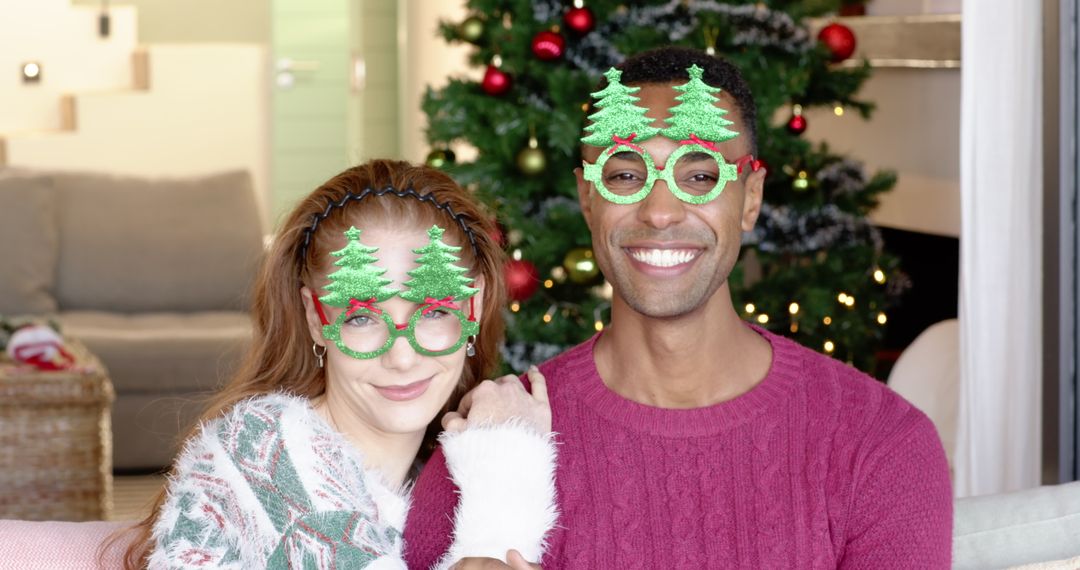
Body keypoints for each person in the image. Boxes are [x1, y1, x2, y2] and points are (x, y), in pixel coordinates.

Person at [404, 47, 953, 568]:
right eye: (625, 175)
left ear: (751, 197)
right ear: (588, 198)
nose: (661, 211)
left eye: (700, 176)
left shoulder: (879, 443)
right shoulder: (492, 448)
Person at [116, 160, 558, 569]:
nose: (402, 357)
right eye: (362, 317)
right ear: (316, 319)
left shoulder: (440, 475)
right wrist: (508, 464)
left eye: (435, 311)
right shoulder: (264, 448)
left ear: (474, 306)